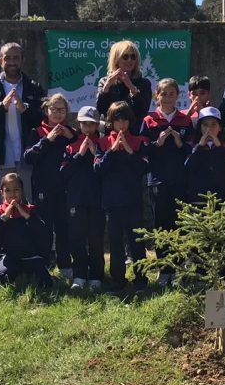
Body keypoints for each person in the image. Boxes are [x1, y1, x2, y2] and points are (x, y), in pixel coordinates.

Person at [0, 42, 47, 205]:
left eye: (16, 58)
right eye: (8, 58)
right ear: (0, 61)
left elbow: (44, 119)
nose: (12, 62)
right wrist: (1, 107)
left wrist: (24, 108)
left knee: (29, 203)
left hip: (27, 157)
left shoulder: (34, 88)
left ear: (22, 61)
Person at [141, 79, 194, 287]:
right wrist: (158, 143)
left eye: (172, 93)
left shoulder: (184, 120)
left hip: (180, 181)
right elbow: (143, 150)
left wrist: (180, 144)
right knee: (161, 225)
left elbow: (192, 150)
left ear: (177, 96)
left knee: (179, 225)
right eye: (164, 94)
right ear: (157, 96)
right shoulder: (149, 120)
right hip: (158, 181)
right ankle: (164, 269)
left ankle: (179, 268)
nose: (168, 97)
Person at [96, 101, 150, 293]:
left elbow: (143, 168)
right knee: (115, 243)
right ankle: (118, 280)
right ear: (111, 122)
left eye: (125, 120)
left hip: (133, 200)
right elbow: (98, 169)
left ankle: (141, 279)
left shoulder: (139, 141)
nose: (121, 125)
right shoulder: (102, 143)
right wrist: (112, 151)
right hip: (111, 202)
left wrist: (128, 149)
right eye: (117, 121)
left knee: (137, 242)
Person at [23, 94, 76, 277]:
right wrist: (47, 140)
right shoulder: (36, 132)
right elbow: (28, 157)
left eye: (62, 110)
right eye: (54, 109)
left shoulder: (71, 132)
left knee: (64, 227)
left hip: (65, 188)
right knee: (44, 228)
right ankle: (43, 264)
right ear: (47, 110)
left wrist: (72, 139)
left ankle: (65, 266)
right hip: (43, 188)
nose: (58, 113)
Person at [0, 173, 53, 287]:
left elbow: (44, 232)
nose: (12, 194)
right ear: (2, 193)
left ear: (22, 191)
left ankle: (29, 272)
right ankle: (2, 272)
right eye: (8, 191)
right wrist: (4, 218)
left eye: (16, 190)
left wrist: (26, 216)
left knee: (45, 281)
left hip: (29, 254)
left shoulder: (30, 209)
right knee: (5, 277)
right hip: (6, 255)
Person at [62, 106, 105, 290]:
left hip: (97, 200)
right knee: (77, 239)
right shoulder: (71, 145)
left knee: (96, 239)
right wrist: (79, 154)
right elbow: (63, 172)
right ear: (78, 124)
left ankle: (96, 275)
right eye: (84, 124)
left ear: (97, 125)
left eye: (91, 124)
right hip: (76, 200)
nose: (87, 128)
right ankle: (79, 275)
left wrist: (95, 152)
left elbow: (106, 171)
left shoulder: (103, 144)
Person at [185, 107, 225, 202]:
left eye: (213, 124)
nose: (209, 129)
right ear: (200, 127)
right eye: (205, 125)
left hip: (223, 200)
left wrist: (219, 146)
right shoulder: (192, 145)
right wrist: (200, 146)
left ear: (220, 127)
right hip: (199, 199)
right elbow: (188, 167)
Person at [96, 40, 153, 132]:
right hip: (110, 134)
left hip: (134, 134)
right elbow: (101, 110)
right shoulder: (104, 81)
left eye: (133, 57)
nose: (130, 60)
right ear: (116, 59)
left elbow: (143, 110)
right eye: (125, 57)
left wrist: (132, 88)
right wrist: (106, 88)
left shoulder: (144, 83)